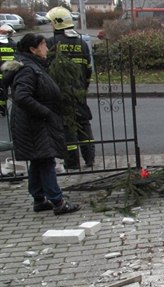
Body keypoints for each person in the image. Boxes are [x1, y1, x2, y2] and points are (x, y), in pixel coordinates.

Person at [0, 33, 81, 215]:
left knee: (38, 159)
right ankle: (58, 201)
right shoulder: (28, 68)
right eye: (43, 45)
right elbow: (21, 96)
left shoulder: (31, 65)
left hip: (33, 122)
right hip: (34, 123)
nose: (46, 48)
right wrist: (45, 112)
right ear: (33, 49)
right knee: (46, 160)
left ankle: (38, 199)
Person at [46, 6, 95, 169]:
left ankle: (72, 163)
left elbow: (46, 70)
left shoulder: (51, 43)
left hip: (60, 93)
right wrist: (83, 87)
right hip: (79, 92)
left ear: (57, 23)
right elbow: (88, 69)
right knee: (83, 124)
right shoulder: (81, 43)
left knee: (67, 128)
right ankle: (89, 158)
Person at [0, 24, 16, 117]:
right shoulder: (13, 44)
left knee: (2, 92)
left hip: (1, 73)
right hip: (11, 72)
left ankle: (2, 110)